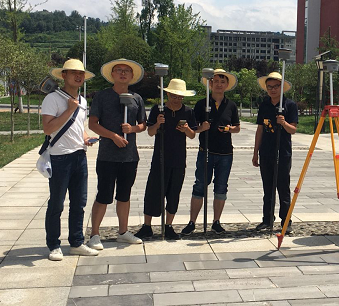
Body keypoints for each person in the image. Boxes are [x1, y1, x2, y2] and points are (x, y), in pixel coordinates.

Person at [40, 59, 99, 261]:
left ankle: (76, 242)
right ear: (63, 75)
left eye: (81, 73)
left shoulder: (82, 100)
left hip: (79, 156)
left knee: (79, 203)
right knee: (56, 203)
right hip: (59, 157)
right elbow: (48, 128)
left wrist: (86, 138)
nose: (78, 76)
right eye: (74, 73)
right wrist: (69, 110)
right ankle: (54, 245)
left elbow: (79, 127)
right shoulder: (52, 99)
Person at [87, 59, 147, 249]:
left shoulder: (136, 98)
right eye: (119, 70)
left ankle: (123, 232)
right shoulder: (102, 96)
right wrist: (113, 136)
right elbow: (93, 124)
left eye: (126, 71)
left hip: (129, 156)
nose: (122, 73)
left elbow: (143, 125)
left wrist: (132, 129)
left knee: (124, 195)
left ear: (132, 76)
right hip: (107, 156)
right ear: (112, 74)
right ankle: (94, 234)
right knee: (104, 195)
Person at [137, 79, 198, 241]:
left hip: (178, 158)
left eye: (180, 97)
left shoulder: (188, 111)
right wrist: (157, 123)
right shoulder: (159, 109)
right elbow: (150, 132)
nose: (176, 99)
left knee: (174, 192)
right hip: (160, 156)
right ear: (168, 94)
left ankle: (169, 225)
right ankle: (147, 226)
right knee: (153, 191)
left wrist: (186, 129)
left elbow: (192, 135)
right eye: (174, 96)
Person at [185, 69, 240, 235]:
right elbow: (193, 129)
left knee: (221, 187)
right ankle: (192, 222)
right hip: (206, 151)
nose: (219, 85)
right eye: (216, 81)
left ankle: (216, 221)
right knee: (200, 186)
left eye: (222, 82)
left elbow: (237, 127)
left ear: (227, 85)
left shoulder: (231, 105)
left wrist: (229, 129)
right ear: (210, 84)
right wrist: (202, 128)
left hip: (225, 153)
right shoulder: (202, 104)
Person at [252, 72, 298, 233]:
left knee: (283, 188)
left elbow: (293, 130)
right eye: (269, 87)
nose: (272, 90)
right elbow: (260, 129)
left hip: (283, 152)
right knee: (268, 189)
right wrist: (255, 152)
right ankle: (267, 219)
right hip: (266, 152)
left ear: (282, 87)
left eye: (276, 86)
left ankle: (286, 221)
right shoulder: (264, 105)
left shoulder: (289, 105)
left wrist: (284, 122)